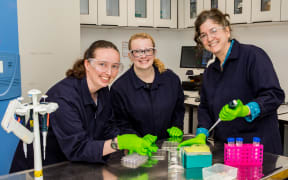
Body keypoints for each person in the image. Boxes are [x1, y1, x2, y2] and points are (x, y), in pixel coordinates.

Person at [10, 40, 157, 173]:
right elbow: (77, 148)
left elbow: (108, 127)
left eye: (115, 66)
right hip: (41, 169)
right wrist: (119, 143)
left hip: (70, 167)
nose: (109, 72)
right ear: (87, 64)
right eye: (102, 64)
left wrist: (131, 142)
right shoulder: (63, 97)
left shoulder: (103, 91)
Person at [179, 9, 285, 154]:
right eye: (203, 35)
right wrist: (202, 132)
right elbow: (205, 107)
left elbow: (274, 95)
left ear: (227, 31)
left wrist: (245, 110)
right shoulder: (211, 71)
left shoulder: (252, 56)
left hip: (258, 150)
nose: (209, 38)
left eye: (213, 30)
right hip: (227, 149)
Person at [110, 33, 185, 140]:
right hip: (137, 151)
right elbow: (120, 123)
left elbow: (179, 110)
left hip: (168, 145)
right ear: (130, 56)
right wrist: (136, 139)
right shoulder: (119, 88)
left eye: (148, 50)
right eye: (137, 51)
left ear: (154, 53)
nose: (143, 55)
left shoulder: (172, 80)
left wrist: (177, 126)